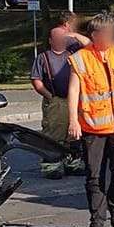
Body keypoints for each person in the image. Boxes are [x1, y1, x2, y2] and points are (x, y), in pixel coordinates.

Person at [67, 13, 114, 227]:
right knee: (94, 174)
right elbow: (73, 90)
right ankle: (97, 220)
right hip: (93, 126)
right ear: (95, 35)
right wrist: (73, 119)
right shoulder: (81, 59)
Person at [29, 27, 87, 179]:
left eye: (63, 38)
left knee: (74, 134)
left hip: (73, 100)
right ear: (50, 41)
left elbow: (89, 45)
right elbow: (36, 80)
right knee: (54, 134)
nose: (61, 41)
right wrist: (50, 96)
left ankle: (73, 163)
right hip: (55, 101)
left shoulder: (73, 55)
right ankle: (52, 166)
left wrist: (74, 34)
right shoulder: (43, 58)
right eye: (57, 38)